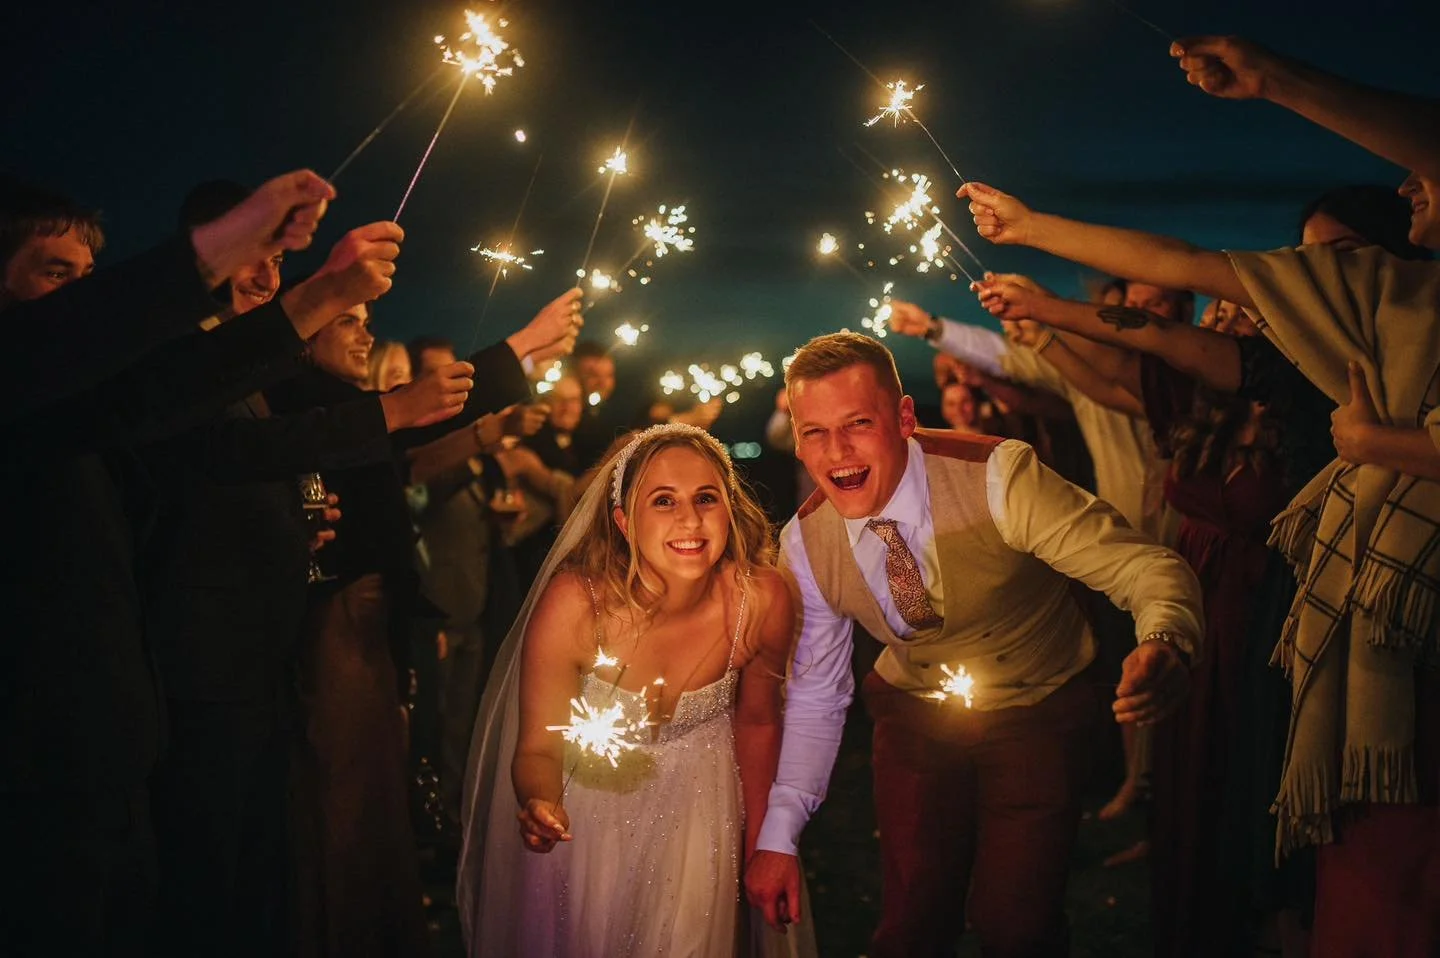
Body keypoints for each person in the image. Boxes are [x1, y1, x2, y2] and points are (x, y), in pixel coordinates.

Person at [960, 35, 1440, 952]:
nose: (1415, 181)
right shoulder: (1297, 353)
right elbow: (1166, 309)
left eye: (1331, 262)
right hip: (1306, 619)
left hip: (1332, 610)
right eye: (1307, 266)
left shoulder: (1365, 346)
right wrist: (1032, 244)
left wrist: (1383, 446)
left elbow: (1179, 285)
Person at [744, 332, 1203, 958]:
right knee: (911, 924)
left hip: (1037, 707)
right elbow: (819, 696)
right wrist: (778, 836)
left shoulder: (998, 476)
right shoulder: (804, 542)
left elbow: (1141, 566)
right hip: (913, 717)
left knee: (1015, 923)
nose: (838, 453)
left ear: (905, 418)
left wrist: (1166, 636)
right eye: (815, 432)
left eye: (857, 424)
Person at [457, 423, 815, 957]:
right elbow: (537, 745)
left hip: (704, 818)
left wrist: (766, 843)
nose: (690, 519)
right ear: (624, 521)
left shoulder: (758, 600)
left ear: (730, 508)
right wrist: (539, 800)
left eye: (706, 498)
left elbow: (760, 722)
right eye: (664, 500)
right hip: (591, 823)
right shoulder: (578, 606)